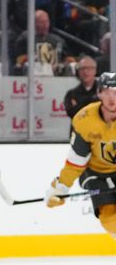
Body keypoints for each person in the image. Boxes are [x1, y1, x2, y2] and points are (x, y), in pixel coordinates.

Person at [46, 72, 116, 241]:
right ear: (99, 93)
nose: (112, 97)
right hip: (95, 174)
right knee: (109, 220)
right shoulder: (85, 120)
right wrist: (61, 187)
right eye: (107, 91)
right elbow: (76, 160)